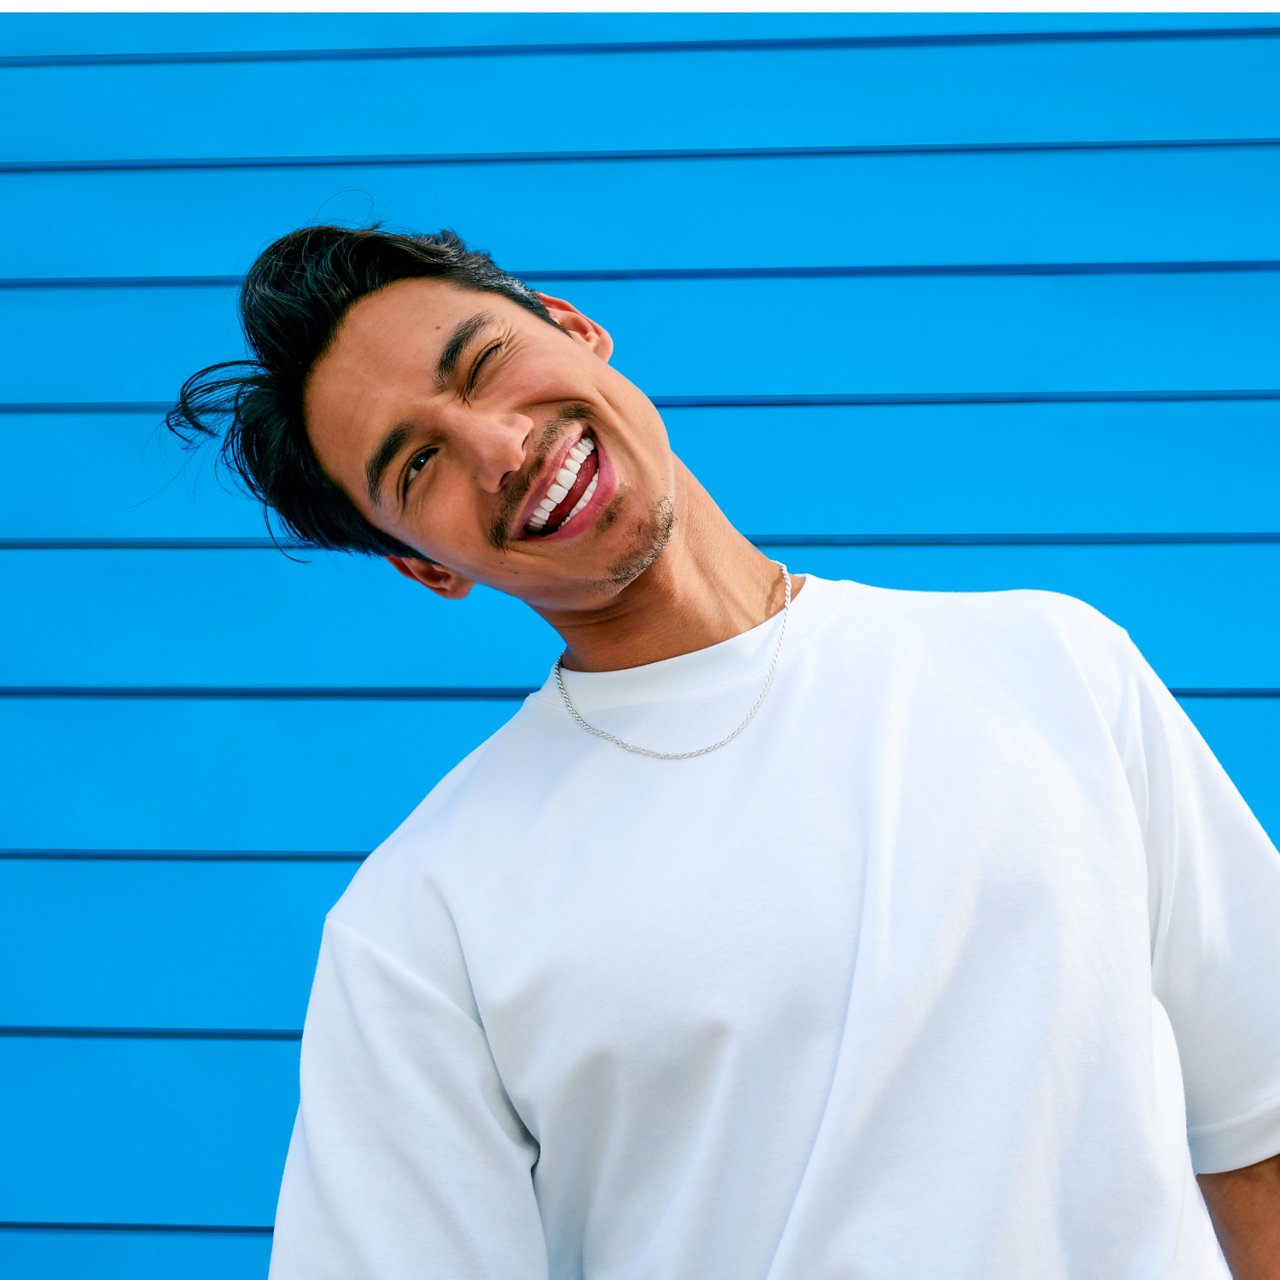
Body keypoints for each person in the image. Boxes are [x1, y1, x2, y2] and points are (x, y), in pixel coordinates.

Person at [167, 225, 1280, 1279]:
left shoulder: (1053, 665)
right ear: (426, 566)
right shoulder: (421, 919)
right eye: (418, 466)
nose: (500, 448)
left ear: (573, 325)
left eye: (484, 362)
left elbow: (1260, 1116)